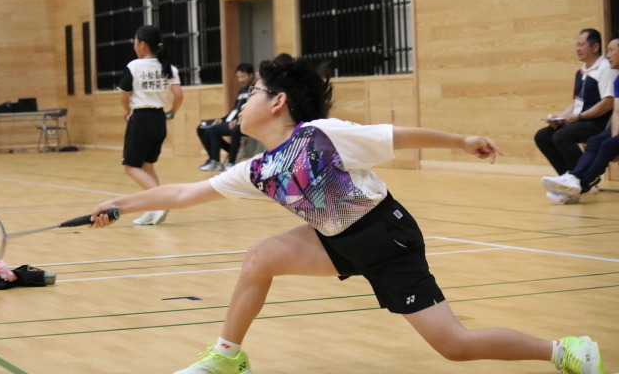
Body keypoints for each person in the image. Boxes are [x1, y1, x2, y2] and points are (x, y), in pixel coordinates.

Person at [91, 57, 606, 374]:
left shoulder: (322, 135)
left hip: (387, 237)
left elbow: (397, 136)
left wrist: (461, 141)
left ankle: (564, 350)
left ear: (279, 102)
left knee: (454, 346)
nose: (242, 102)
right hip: (334, 238)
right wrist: (118, 204)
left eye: (252, 94)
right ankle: (228, 355)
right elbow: (184, 192)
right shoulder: (259, 169)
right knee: (261, 257)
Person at [118, 25, 183, 226]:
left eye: (135, 41)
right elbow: (179, 95)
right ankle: (153, 209)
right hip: (159, 120)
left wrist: (126, 112)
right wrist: (172, 112)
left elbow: (123, 94)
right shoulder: (169, 67)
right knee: (147, 166)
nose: (134, 45)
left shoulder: (135, 66)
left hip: (141, 120)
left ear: (143, 45)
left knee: (131, 167)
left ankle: (161, 202)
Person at [542, 36, 619, 204]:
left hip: (596, 121)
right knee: (595, 141)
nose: (608, 55)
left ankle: (577, 185)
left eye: (612, 50)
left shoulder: (606, 70)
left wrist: (614, 141)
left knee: (606, 144)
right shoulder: (617, 80)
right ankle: (571, 179)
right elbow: (617, 112)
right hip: (608, 126)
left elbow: (608, 104)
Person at [197, 63, 255, 171]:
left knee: (213, 131)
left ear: (251, 75)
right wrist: (222, 119)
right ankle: (213, 159)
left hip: (243, 122)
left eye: (243, 76)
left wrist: (238, 120)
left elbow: (252, 109)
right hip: (232, 120)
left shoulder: (254, 89)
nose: (240, 80)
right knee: (202, 128)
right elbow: (235, 110)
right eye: (238, 77)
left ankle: (220, 162)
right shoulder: (242, 90)